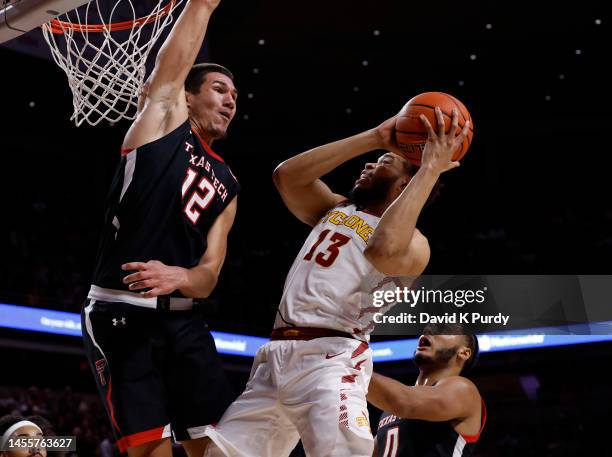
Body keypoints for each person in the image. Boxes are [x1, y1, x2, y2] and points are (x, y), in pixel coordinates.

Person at [203, 107, 470, 457]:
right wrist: (374, 136)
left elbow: (383, 248)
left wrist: (430, 170)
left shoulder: (416, 245)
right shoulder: (336, 208)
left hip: (332, 357)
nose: (369, 165)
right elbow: (287, 176)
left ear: (406, 184)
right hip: (275, 356)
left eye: (383, 162)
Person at [81, 1, 240, 456]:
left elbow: (210, 272)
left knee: (213, 448)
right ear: (187, 96)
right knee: (151, 451)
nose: (230, 100)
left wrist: (183, 277)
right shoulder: (163, 124)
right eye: (219, 89)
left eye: (236, 96)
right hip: (121, 312)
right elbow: (168, 75)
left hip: (185, 321)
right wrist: (203, 6)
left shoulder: (229, 184)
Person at [368, 324, 485, 457]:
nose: (429, 331)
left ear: (464, 353)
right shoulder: (389, 410)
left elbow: (405, 402)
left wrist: (350, 365)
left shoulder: (464, 390)